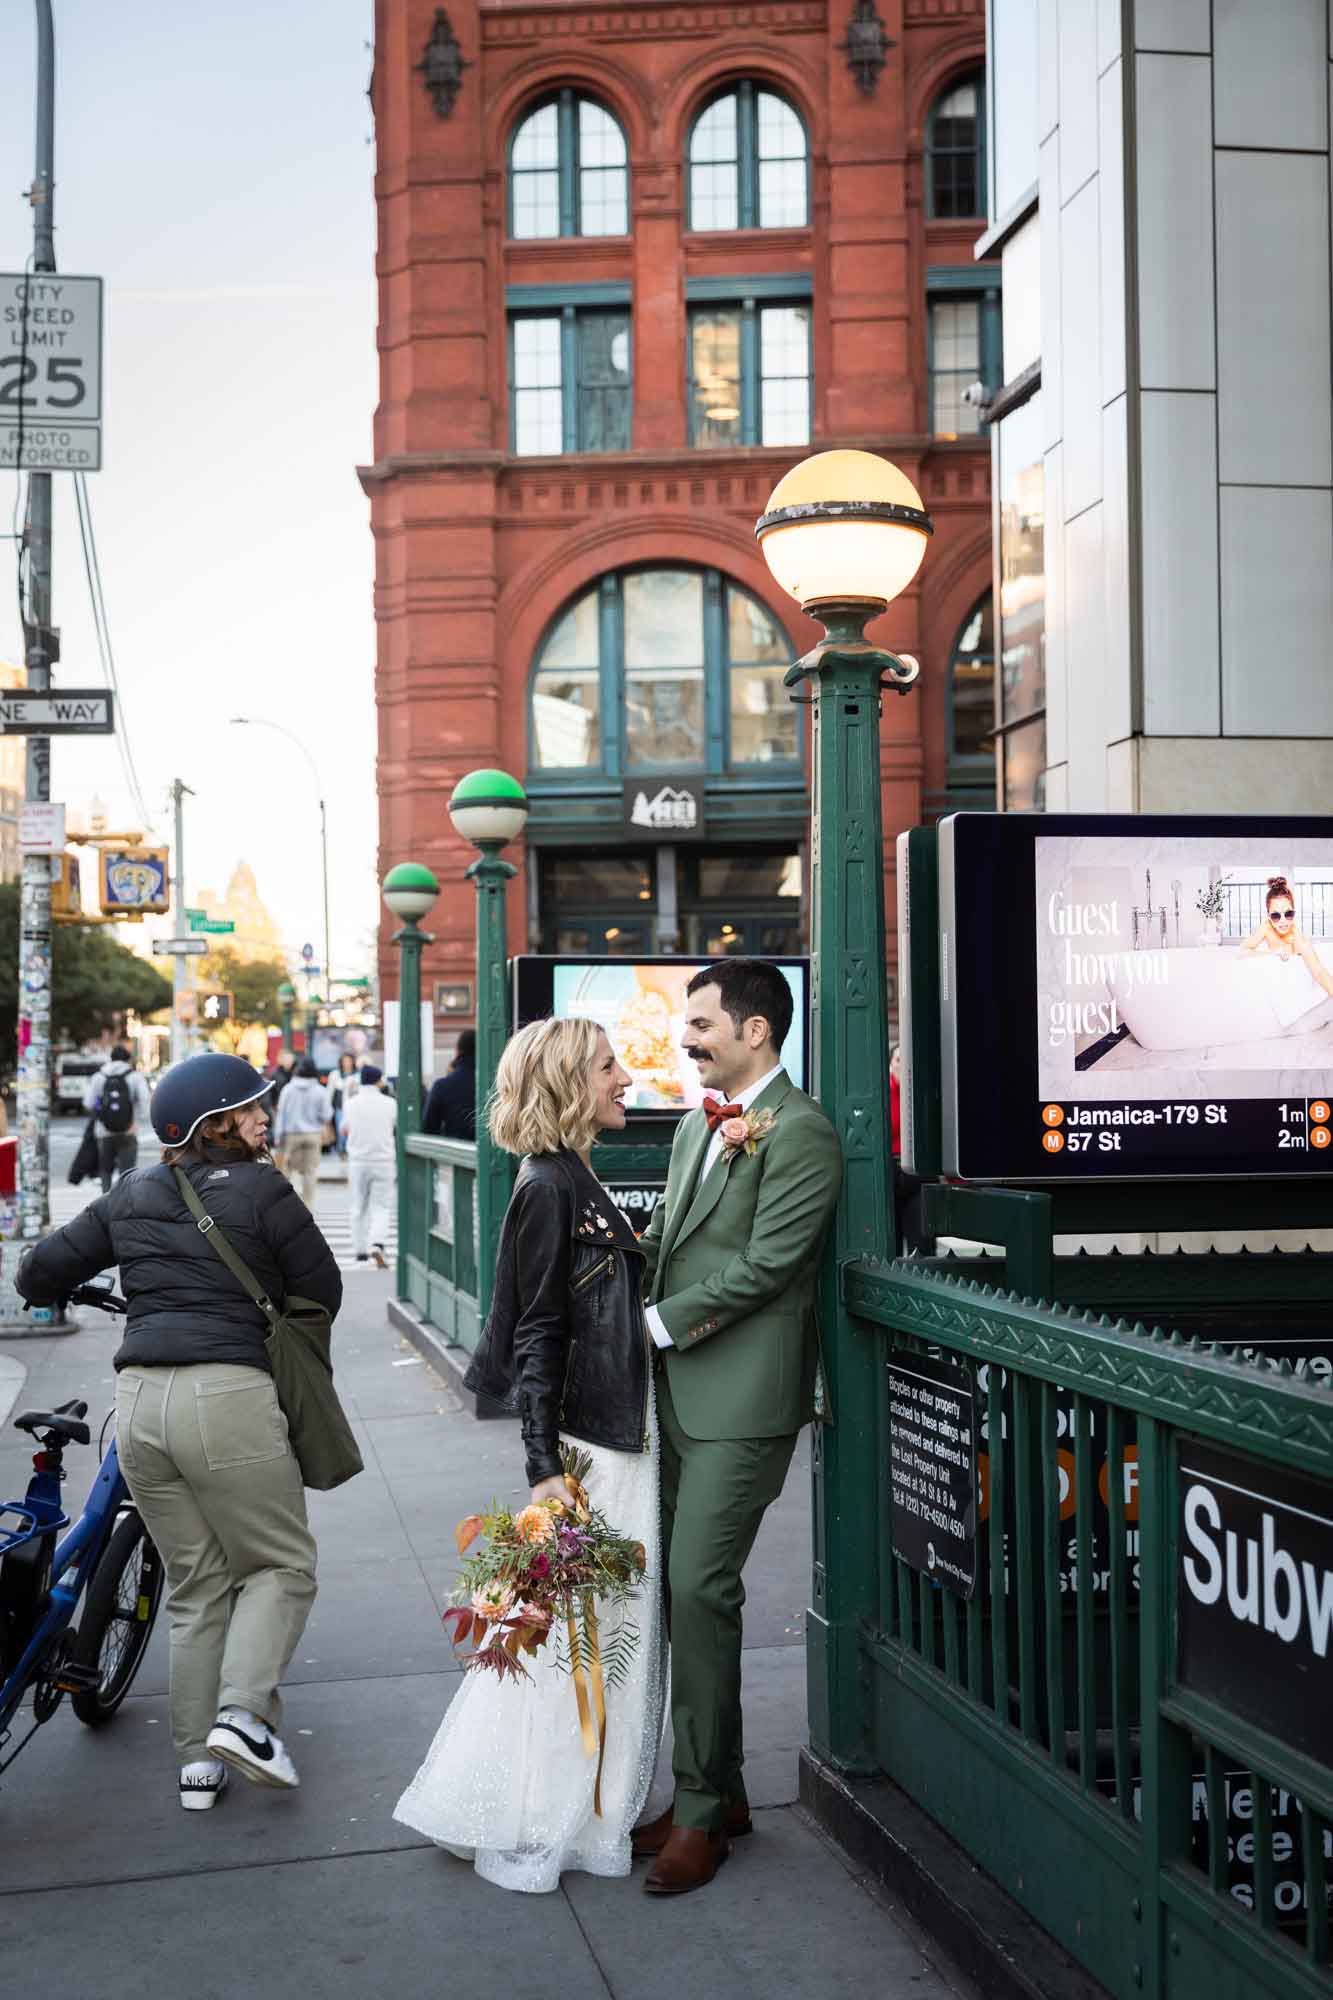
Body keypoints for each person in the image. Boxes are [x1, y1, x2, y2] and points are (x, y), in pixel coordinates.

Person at [15, 1052, 342, 1812]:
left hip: (136, 1404)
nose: (265, 1116)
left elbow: (37, 1276)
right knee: (279, 1565)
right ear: (214, 1122)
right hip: (225, 1394)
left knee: (195, 1582)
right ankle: (242, 1718)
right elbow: (318, 1289)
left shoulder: (131, 1191)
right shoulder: (265, 1190)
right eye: (253, 1107)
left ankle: (198, 1767)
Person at [394, 1016, 667, 1893]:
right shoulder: (551, 1184)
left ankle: (576, 1808)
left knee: (577, 1636)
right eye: (606, 1066)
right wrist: (542, 1463)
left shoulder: (569, 1174)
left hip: (606, 1433)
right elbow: (540, 1327)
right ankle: (556, 1819)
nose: (625, 1077)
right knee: (583, 1638)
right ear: (566, 1080)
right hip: (594, 1445)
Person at [632, 958, 842, 1894]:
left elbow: (768, 1269)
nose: (686, 1038)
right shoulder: (691, 1128)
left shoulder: (802, 1136)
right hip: (674, 1394)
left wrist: (658, 1321)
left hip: (746, 1401)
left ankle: (701, 1813)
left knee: (696, 1587)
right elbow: (668, 1243)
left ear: (756, 1030)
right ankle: (718, 1792)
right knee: (684, 1599)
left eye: (702, 1023)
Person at [1242, 875, 1333, 997]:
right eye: (1276, 916)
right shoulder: (1266, 927)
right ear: (1268, 916)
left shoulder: (1298, 939)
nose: (1283, 921)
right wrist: (1272, 954)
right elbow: (1243, 950)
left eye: (1288, 914)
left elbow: (1319, 972)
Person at [341, 1065, 395, 1266]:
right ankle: (377, 1242)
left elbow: (344, 1128)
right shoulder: (389, 1103)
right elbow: (396, 1126)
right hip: (383, 1159)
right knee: (381, 1205)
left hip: (358, 1160)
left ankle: (360, 1250)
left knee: (358, 1206)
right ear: (378, 1081)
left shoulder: (351, 1104)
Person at [84, 1043, 152, 1193]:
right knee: (128, 1171)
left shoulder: (99, 1077)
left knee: (105, 1169)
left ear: (111, 1058)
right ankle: (125, 1202)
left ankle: (106, 1201)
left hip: (103, 1131)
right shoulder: (135, 1077)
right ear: (127, 1060)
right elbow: (144, 1101)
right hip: (128, 1131)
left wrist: (101, 1111)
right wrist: (138, 1117)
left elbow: (88, 1103)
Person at [272, 1058, 332, 1207]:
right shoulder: (320, 1090)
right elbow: (327, 1115)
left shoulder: (288, 1089)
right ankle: (308, 1206)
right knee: (310, 1172)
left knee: (287, 1171)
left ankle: (288, 1204)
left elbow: (281, 1114)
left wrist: (277, 1136)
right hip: (313, 1135)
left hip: (290, 1135)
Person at [422, 1028, 476, 1139]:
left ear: (457, 1051)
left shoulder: (442, 1085)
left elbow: (429, 1128)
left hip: (456, 1152)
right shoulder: (495, 1082)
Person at [332, 1051, 360, 1158]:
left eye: (349, 1061)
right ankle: (341, 1150)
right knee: (341, 1131)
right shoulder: (335, 1075)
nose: (347, 1063)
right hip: (340, 1107)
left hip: (354, 1108)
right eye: (344, 1061)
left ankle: (350, 1151)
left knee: (352, 1130)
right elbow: (330, 1092)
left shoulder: (358, 1075)